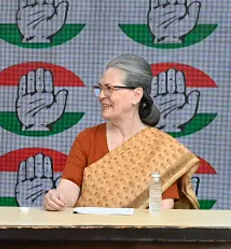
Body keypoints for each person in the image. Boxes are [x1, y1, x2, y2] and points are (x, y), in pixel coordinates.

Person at [44, 54, 200, 210]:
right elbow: (69, 188)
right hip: (90, 231)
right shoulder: (87, 138)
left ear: (136, 95)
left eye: (109, 88)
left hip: (139, 233)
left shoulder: (162, 147)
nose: (101, 96)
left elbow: (162, 208)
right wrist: (57, 198)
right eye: (100, 88)